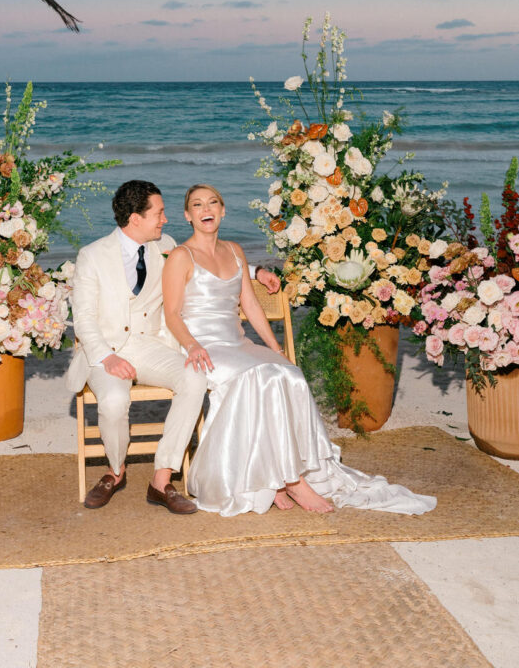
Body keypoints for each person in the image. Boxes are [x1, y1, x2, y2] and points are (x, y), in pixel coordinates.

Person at [162, 183, 438, 517]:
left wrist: (275, 347)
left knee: (288, 373)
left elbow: (250, 304)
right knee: (262, 376)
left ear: (223, 210)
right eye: (197, 204)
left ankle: (276, 477)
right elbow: (172, 313)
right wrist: (192, 345)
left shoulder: (234, 250)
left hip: (237, 343)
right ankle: (292, 482)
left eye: (212, 203)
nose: (205, 209)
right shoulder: (181, 256)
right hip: (204, 348)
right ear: (187, 215)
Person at [65, 179, 281, 513]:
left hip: (150, 345)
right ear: (135, 219)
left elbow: (205, 260)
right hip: (105, 351)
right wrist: (107, 358)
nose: (165, 220)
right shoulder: (91, 256)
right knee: (114, 400)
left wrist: (256, 272)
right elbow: (83, 319)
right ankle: (115, 471)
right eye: (159, 213)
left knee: (194, 377)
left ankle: (161, 479)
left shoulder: (164, 245)